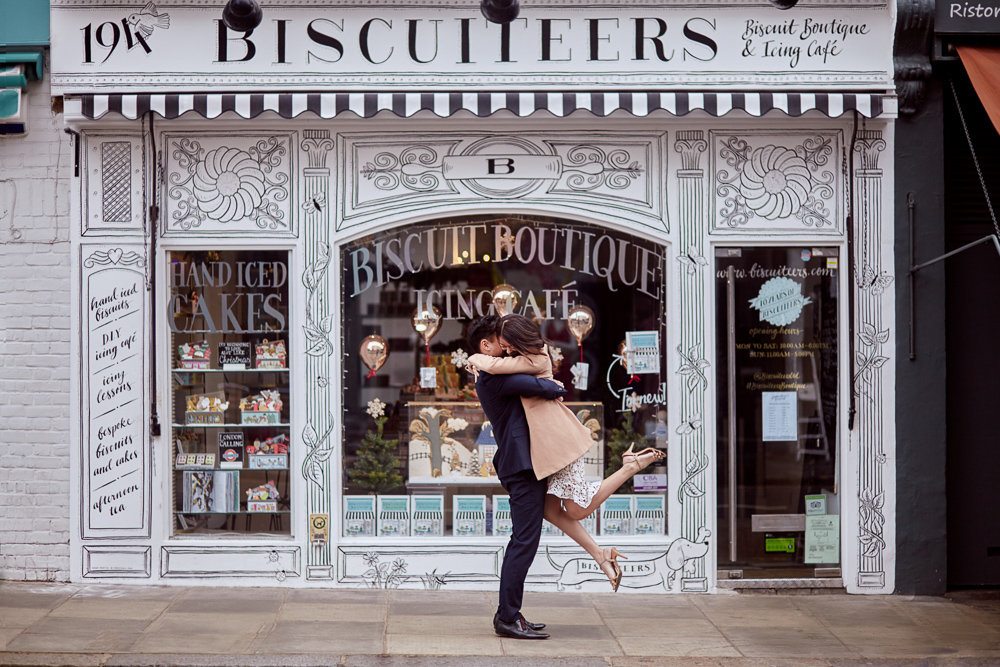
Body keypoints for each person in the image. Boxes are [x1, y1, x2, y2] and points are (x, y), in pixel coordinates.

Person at [467, 313, 665, 592]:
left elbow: (506, 370)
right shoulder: (513, 363)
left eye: (508, 342)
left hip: (558, 440)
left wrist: (475, 359)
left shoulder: (534, 358)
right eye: (503, 343)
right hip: (545, 447)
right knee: (551, 510)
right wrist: (479, 361)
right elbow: (504, 371)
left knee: (575, 509)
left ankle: (629, 467)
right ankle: (601, 555)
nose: (507, 348)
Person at [467, 315, 566, 640]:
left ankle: (510, 613)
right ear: (486, 345)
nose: (507, 347)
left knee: (525, 540)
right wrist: (553, 387)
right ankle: (507, 617)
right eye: (501, 340)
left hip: (525, 463)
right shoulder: (492, 376)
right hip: (521, 466)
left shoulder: (494, 369)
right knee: (523, 541)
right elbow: (538, 384)